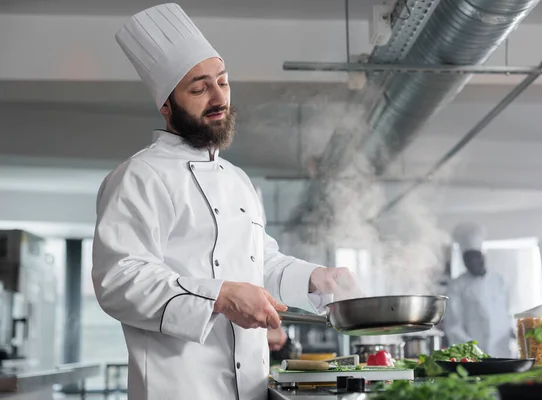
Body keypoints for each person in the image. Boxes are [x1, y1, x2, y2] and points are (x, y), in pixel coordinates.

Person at [91, 4, 364, 400]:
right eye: (199, 88)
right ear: (166, 105)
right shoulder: (139, 177)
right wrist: (219, 296)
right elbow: (118, 280)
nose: (219, 96)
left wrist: (316, 278)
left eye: (223, 81)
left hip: (251, 388)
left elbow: (259, 261)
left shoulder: (237, 181)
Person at [444, 222, 513, 358]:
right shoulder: (457, 286)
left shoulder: (499, 280)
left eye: (476, 256)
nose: (473, 262)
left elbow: (506, 314)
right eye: (468, 259)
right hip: (474, 355)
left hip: (502, 352)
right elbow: (453, 326)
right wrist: (473, 350)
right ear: (464, 261)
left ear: (483, 256)